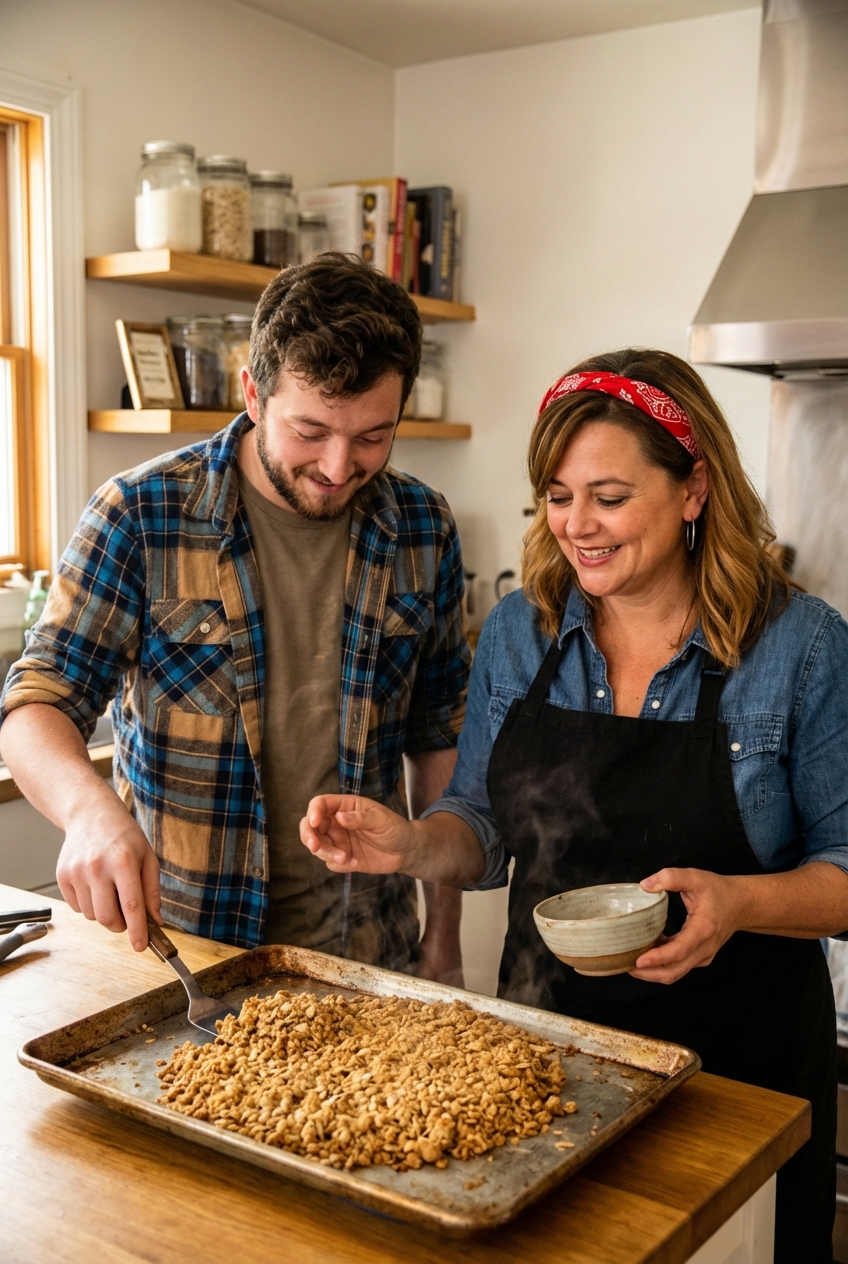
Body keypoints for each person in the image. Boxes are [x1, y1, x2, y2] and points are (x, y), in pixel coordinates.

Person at [300, 349, 848, 1262]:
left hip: (743, 1077)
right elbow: (483, 827)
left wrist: (738, 904)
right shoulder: (524, 631)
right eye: (557, 496)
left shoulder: (801, 648)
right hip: (552, 1062)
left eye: (609, 496)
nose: (576, 526)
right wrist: (411, 845)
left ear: (693, 489)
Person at [0, 253, 470, 983]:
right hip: (182, 958)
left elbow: (439, 741)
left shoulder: (422, 526)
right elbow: (37, 704)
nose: (339, 466)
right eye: (310, 430)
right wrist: (88, 812)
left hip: (368, 957)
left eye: (373, 436)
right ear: (253, 392)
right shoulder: (141, 514)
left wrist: (444, 938)